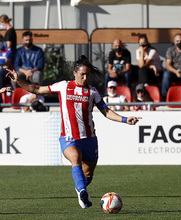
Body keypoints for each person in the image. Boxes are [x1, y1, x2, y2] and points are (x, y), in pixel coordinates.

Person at [6, 55, 141, 209]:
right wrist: (19, 80)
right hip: (69, 137)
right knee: (75, 158)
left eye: (88, 74)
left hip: (89, 139)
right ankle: (82, 190)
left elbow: (107, 112)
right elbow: (36, 89)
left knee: (88, 175)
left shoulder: (92, 91)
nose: (85, 77)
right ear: (74, 73)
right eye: (82, 74)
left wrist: (125, 119)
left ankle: (80, 187)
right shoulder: (63, 86)